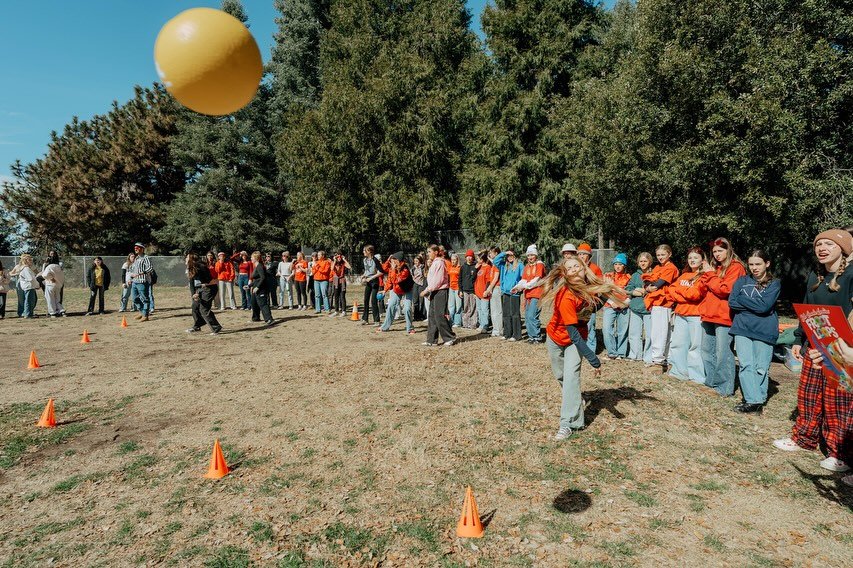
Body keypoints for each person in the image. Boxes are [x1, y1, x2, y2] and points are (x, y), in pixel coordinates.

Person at [774, 229, 852, 473]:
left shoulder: (851, 275)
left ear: (843, 248)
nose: (822, 248)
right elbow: (806, 310)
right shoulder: (815, 275)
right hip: (814, 344)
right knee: (809, 394)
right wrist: (799, 338)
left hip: (842, 347)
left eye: (829, 244)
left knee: (837, 401)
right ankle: (804, 438)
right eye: (819, 244)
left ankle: (840, 453)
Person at [541, 257, 624, 441]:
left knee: (571, 378)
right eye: (569, 268)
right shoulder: (566, 295)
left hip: (575, 340)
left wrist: (606, 292)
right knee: (560, 375)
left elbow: (591, 309)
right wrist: (593, 359)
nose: (574, 270)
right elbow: (572, 333)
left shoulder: (587, 289)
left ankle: (568, 423)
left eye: (577, 266)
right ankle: (576, 401)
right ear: (566, 274)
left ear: (583, 268)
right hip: (556, 337)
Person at [728, 250, 781, 413]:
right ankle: (753, 400)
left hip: (764, 329)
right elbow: (732, 302)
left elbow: (764, 307)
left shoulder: (774, 283)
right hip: (742, 328)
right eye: (751, 264)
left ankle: (758, 398)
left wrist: (743, 299)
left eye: (758, 264)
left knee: (761, 366)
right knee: (745, 364)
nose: (754, 268)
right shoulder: (741, 281)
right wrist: (755, 303)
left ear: (767, 263)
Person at [699, 237, 747, 397]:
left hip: (724, 316)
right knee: (707, 350)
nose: (717, 254)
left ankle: (724, 387)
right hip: (709, 314)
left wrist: (711, 276)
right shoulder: (717, 268)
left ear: (728, 250)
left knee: (723, 352)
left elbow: (725, 289)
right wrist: (711, 276)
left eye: (720, 251)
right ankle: (711, 382)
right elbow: (707, 287)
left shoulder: (736, 267)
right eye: (714, 252)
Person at [666, 247, 709, 383]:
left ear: (702, 260)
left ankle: (696, 376)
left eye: (695, 258)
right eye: (690, 258)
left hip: (696, 315)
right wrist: (684, 293)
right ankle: (679, 372)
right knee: (678, 344)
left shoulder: (704, 276)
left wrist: (680, 292)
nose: (692, 260)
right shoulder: (684, 275)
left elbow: (696, 295)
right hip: (681, 314)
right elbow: (671, 290)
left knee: (695, 346)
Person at [642, 245, 680, 370]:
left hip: (664, 302)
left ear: (669, 254)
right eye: (658, 255)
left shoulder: (671, 267)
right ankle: (663, 359)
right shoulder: (658, 267)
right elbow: (647, 282)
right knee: (660, 331)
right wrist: (647, 287)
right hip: (656, 302)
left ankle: (658, 360)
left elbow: (658, 284)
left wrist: (649, 287)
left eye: (663, 254)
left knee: (660, 332)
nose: (660, 257)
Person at [420, 245, 456, 346]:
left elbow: (438, 281)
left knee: (440, 315)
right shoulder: (434, 263)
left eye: (429, 251)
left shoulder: (439, 263)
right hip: (434, 291)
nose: (428, 254)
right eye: (427, 252)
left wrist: (427, 290)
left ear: (436, 252)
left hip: (440, 291)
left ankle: (449, 337)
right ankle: (431, 340)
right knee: (431, 315)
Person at [602, 253, 631, 359]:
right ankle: (612, 352)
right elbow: (604, 291)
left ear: (624, 266)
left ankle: (621, 353)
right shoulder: (607, 276)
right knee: (606, 328)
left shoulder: (629, 277)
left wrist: (625, 303)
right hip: (610, 305)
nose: (618, 266)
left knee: (622, 330)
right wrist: (612, 302)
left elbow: (631, 292)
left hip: (624, 307)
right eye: (616, 264)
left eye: (620, 264)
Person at [625, 252, 653, 362]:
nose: (643, 263)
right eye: (641, 261)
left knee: (650, 334)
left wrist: (646, 291)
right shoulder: (635, 275)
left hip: (648, 308)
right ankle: (635, 354)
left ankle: (649, 356)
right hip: (635, 307)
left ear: (650, 262)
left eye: (645, 261)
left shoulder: (654, 273)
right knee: (634, 333)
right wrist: (635, 292)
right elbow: (628, 289)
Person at [185, 253, 223, 334]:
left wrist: (204, 284)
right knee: (195, 307)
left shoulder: (201, 267)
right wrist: (194, 294)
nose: (185, 258)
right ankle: (197, 326)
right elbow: (192, 282)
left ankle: (216, 327)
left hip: (209, 288)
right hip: (201, 288)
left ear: (192, 259)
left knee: (204, 309)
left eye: (187, 257)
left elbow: (209, 279)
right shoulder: (191, 267)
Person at [378, 252, 415, 334]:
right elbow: (388, 278)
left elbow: (396, 280)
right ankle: (385, 327)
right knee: (391, 306)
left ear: (398, 260)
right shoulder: (392, 268)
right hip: (396, 290)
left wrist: (394, 269)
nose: (392, 261)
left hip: (407, 290)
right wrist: (385, 290)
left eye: (394, 259)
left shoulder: (405, 270)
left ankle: (410, 328)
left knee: (407, 308)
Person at [492, 248, 525, 341]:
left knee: (514, 314)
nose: (509, 257)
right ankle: (507, 333)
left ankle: (517, 335)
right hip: (505, 292)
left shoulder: (519, 265)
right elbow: (495, 261)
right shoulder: (503, 265)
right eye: (508, 256)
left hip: (515, 292)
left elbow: (523, 278)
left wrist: (519, 287)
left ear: (515, 256)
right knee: (506, 314)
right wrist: (505, 253)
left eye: (511, 255)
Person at [577, 243, 604, 352]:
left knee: (589, 326)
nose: (582, 256)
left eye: (584, 254)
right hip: (577, 302)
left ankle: (591, 350)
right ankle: (579, 348)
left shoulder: (595, 268)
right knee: (577, 326)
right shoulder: (576, 267)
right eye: (580, 254)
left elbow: (600, 285)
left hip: (590, 302)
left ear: (589, 256)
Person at [519, 244, 546, 343]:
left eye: (532, 255)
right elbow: (523, 280)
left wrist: (526, 286)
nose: (530, 257)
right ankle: (531, 337)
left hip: (537, 294)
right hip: (528, 295)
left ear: (536, 256)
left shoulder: (540, 265)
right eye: (528, 255)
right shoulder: (527, 266)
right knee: (527, 316)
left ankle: (537, 337)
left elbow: (537, 279)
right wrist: (517, 287)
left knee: (532, 315)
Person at [129, 242, 154, 321]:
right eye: (135, 247)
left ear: (142, 249)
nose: (135, 249)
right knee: (134, 298)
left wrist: (140, 273)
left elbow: (150, 268)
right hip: (134, 282)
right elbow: (133, 269)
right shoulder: (136, 258)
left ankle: (145, 315)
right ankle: (142, 312)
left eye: (138, 247)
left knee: (145, 299)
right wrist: (131, 277)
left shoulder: (146, 257)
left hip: (142, 282)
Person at [249, 251, 275, 325]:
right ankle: (255, 318)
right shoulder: (256, 266)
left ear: (256, 258)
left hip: (261, 288)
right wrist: (249, 285)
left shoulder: (260, 266)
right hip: (255, 288)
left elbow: (263, 278)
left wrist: (257, 287)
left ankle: (269, 319)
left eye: (252, 257)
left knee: (263, 304)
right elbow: (257, 279)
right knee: (254, 303)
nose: (251, 258)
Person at [360, 246, 383, 324]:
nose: (363, 252)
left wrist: (371, 278)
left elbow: (381, 272)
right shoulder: (365, 260)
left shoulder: (375, 260)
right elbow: (367, 271)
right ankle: (365, 319)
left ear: (369, 251)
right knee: (366, 300)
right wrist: (364, 275)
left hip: (375, 282)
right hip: (368, 281)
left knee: (373, 301)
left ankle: (376, 320)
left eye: (364, 250)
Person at [474, 251, 493, 334]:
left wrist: (486, 290)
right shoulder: (479, 267)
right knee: (479, 309)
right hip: (477, 292)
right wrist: (475, 268)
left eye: (478, 258)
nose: (477, 259)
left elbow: (488, 281)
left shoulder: (488, 267)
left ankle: (485, 325)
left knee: (485, 309)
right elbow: (474, 277)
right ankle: (481, 324)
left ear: (482, 259)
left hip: (484, 292)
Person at [459, 249, 478, 329]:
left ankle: (473, 324)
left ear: (473, 257)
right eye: (468, 256)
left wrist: (475, 291)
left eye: (471, 256)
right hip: (465, 290)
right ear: (465, 257)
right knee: (466, 307)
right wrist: (460, 290)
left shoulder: (475, 266)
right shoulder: (463, 267)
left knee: (473, 307)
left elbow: (476, 279)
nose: (469, 258)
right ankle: (465, 323)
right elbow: (460, 279)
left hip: (473, 291)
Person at [487, 247, 503, 338]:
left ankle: (499, 330)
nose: (490, 254)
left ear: (496, 253)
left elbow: (495, 278)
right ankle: (495, 329)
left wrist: (489, 289)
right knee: (493, 310)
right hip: (493, 288)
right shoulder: (493, 264)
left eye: (491, 253)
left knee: (498, 310)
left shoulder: (497, 264)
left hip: (496, 288)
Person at [330, 252, 350, 317]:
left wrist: (344, 259)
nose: (339, 258)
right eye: (337, 257)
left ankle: (344, 311)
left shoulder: (343, 263)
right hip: (335, 280)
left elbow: (349, 267)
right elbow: (332, 269)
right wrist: (335, 260)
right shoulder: (333, 263)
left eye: (339, 257)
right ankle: (336, 311)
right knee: (336, 296)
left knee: (342, 296)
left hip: (342, 280)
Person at [447, 253, 463, 327]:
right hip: (451, 288)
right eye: (452, 260)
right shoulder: (450, 267)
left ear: (457, 260)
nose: (453, 261)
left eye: (454, 260)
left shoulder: (460, 268)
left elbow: (461, 279)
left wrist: (460, 290)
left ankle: (457, 322)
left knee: (458, 306)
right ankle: (451, 321)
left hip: (457, 289)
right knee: (451, 306)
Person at [411, 255, 427, 321]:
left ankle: (422, 315)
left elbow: (424, 275)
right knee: (415, 301)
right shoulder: (412, 268)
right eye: (415, 261)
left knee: (422, 300)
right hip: (415, 284)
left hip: (421, 284)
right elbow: (411, 276)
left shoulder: (423, 267)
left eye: (417, 261)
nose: (416, 262)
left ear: (420, 261)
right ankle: (416, 316)